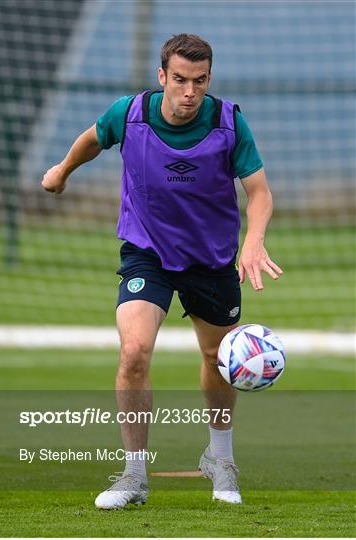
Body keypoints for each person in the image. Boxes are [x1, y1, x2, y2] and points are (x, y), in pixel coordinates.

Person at [42, 33, 283, 510]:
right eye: (179, 80)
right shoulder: (128, 115)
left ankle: (220, 459)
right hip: (146, 250)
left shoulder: (229, 122)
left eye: (199, 81)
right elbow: (92, 139)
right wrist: (63, 170)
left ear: (208, 79)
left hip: (211, 257)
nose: (189, 92)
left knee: (218, 357)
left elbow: (259, 192)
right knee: (134, 351)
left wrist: (252, 241)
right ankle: (133, 474)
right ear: (162, 77)